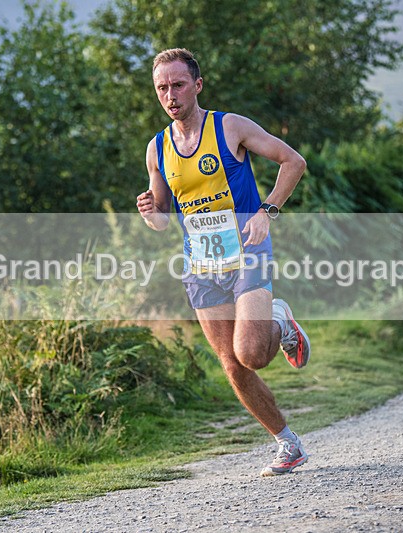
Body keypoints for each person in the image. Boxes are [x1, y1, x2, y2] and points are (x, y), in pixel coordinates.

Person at [136, 48, 311, 476]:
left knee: (251, 353)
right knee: (232, 366)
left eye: (178, 85)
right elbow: (162, 218)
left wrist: (266, 211)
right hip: (201, 263)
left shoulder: (228, 127)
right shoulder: (156, 149)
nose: (170, 95)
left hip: (247, 250)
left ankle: (280, 321)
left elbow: (294, 162)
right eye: (162, 88)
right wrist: (150, 213)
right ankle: (288, 444)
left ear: (197, 85)